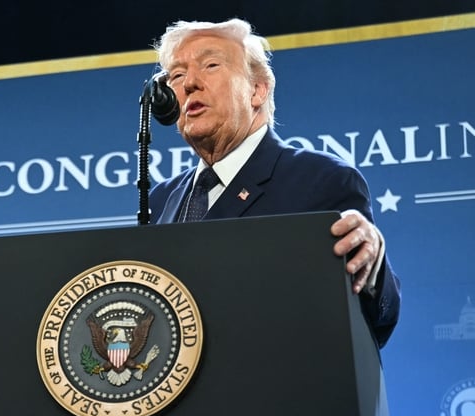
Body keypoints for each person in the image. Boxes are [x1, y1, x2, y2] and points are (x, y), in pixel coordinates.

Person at [148, 18, 400, 349]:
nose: (190, 83)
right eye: (177, 75)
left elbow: (371, 322)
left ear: (257, 89)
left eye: (210, 65)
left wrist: (373, 271)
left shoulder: (321, 180)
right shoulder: (160, 198)